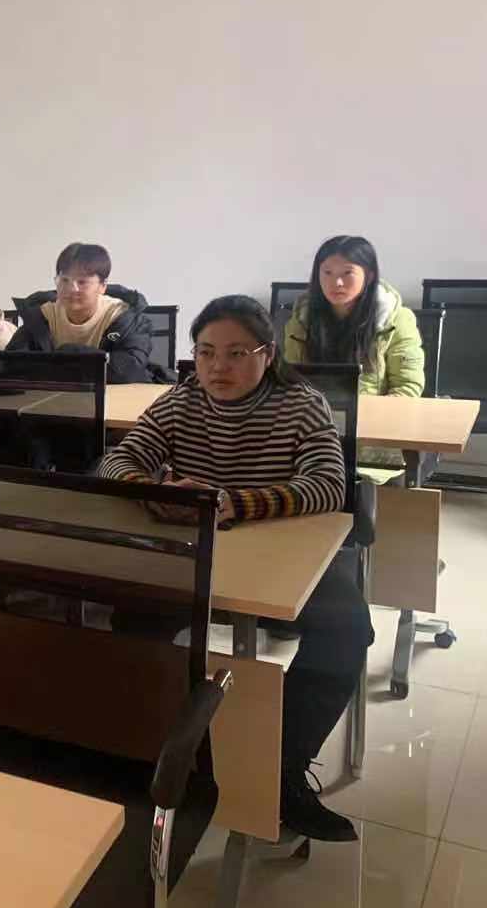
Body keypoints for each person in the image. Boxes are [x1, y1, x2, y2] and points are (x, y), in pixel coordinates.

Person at [99, 295, 373, 843]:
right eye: (205, 352)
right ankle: (160, 754)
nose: (217, 366)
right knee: (132, 620)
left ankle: (285, 769)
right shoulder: (181, 400)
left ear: (267, 354)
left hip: (283, 554)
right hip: (197, 551)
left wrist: (233, 503)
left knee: (346, 630)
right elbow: (116, 460)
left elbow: (327, 485)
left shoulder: (302, 404)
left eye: (235, 353)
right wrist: (157, 492)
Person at [284, 235, 424, 397]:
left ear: (369, 276)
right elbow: (291, 381)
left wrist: (373, 411)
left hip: (372, 409)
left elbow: (407, 387)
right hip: (314, 409)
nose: (337, 282)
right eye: (327, 272)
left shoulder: (395, 319)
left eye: (347, 273)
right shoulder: (302, 319)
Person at [6, 242, 156, 382]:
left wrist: (67, 354)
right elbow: (11, 363)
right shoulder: (42, 315)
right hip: (58, 396)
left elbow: (129, 368)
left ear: (102, 286)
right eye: (64, 280)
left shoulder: (124, 317)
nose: (72, 289)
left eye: (82, 282)